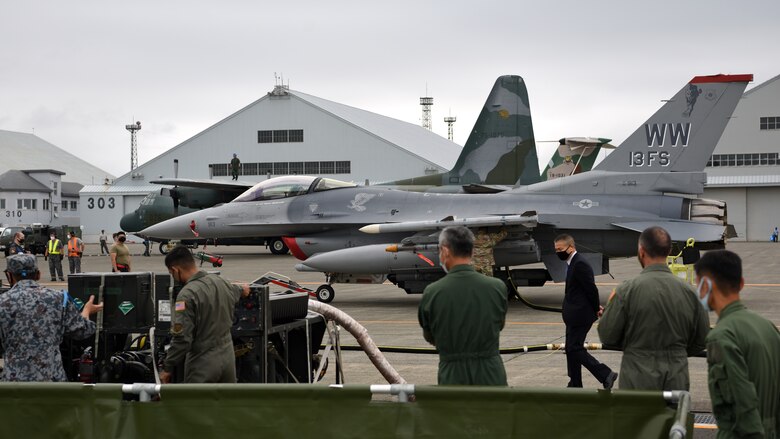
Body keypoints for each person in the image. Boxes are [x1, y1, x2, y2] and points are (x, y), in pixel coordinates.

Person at [598, 226, 710, 390]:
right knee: (675, 408)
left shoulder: (626, 291)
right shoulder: (690, 293)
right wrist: (675, 354)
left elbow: (608, 336)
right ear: (669, 251)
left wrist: (631, 343)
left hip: (636, 381)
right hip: (675, 379)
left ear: (641, 252)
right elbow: (701, 340)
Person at [694, 250, 780, 438]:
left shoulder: (721, 336)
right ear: (741, 283)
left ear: (705, 285)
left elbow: (742, 405)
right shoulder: (767, 327)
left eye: (697, 283)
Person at [418, 226, 508, 385]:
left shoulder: (433, 292)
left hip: (453, 375)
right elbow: (498, 325)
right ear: (472, 251)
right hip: (491, 374)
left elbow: (430, 336)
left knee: (455, 402)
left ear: (445, 251)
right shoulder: (497, 287)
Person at [0, 254, 103, 381]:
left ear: (9, 275)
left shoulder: (2, 302)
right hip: (52, 382)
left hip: (14, 383)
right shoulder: (58, 298)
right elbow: (82, 331)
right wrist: (87, 310)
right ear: (38, 275)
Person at [159, 245, 248, 383]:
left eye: (172, 273)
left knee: (196, 397)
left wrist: (167, 367)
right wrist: (243, 289)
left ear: (176, 270)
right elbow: (241, 290)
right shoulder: (222, 282)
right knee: (227, 397)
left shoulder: (186, 295)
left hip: (203, 363)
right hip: (228, 359)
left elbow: (182, 339)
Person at [555, 234, 618, 389]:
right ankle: (575, 383)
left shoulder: (580, 264)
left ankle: (605, 374)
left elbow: (591, 289)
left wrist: (596, 308)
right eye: (556, 250)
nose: (558, 253)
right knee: (570, 349)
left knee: (574, 348)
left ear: (571, 247)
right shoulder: (573, 262)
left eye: (560, 249)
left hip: (580, 316)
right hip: (574, 315)